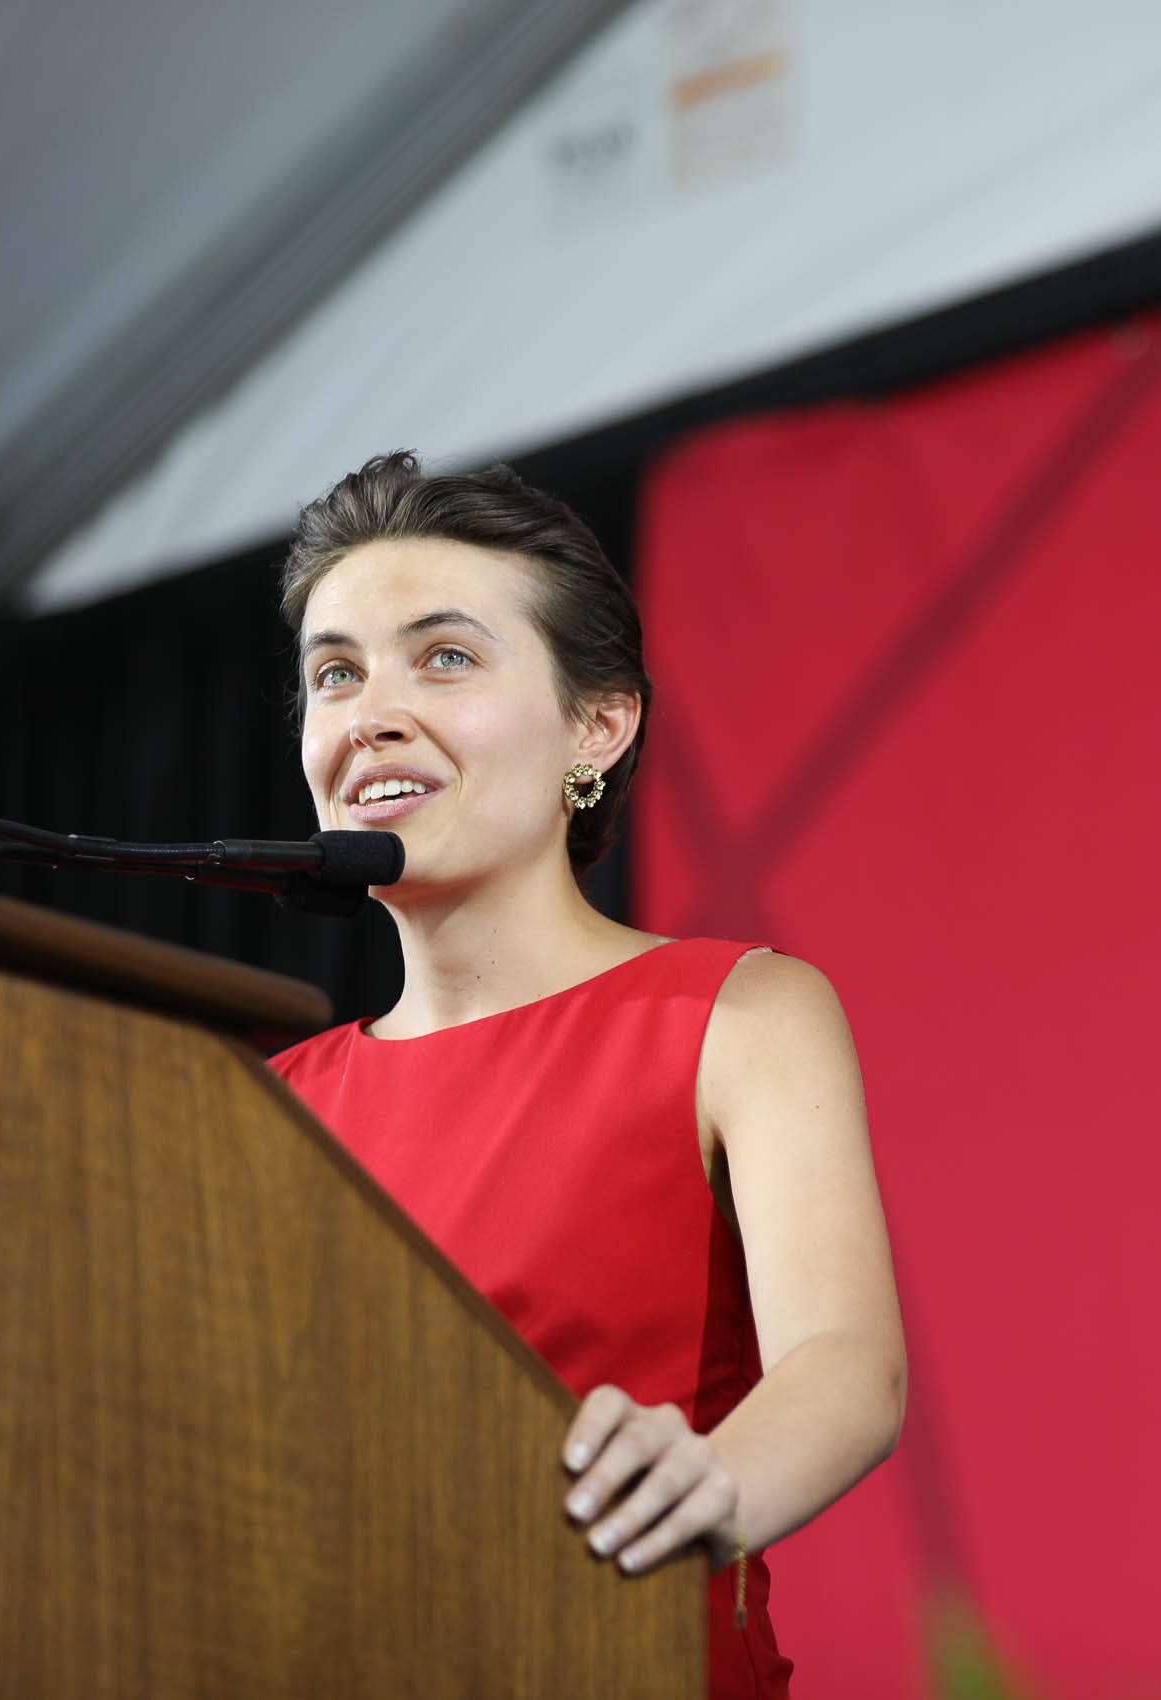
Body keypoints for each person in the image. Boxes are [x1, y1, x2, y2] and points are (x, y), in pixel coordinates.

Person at [266, 452, 903, 1697]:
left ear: (596, 727)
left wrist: (705, 1486)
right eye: (335, 672)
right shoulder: (264, 1102)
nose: (370, 713)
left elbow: (845, 1366)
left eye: (443, 656)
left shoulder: (739, 1012)